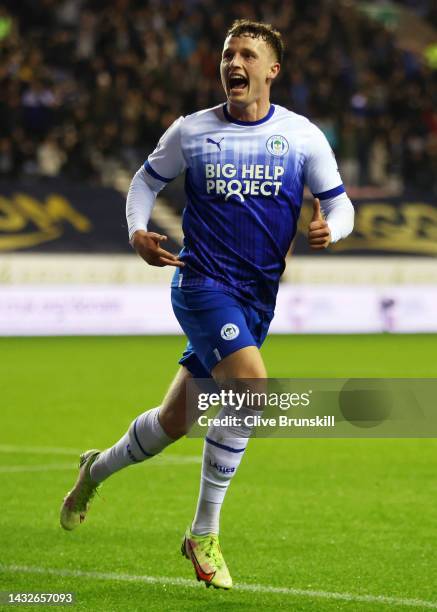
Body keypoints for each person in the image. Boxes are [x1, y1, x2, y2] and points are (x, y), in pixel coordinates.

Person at [60, 19, 354, 590]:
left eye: (247, 54)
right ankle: (203, 532)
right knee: (252, 389)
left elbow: (340, 206)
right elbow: (144, 183)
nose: (233, 63)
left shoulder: (302, 137)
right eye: (227, 54)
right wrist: (136, 232)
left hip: (255, 301)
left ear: (273, 70)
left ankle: (92, 472)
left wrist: (331, 232)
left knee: (174, 421)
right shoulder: (192, 132)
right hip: (200, 284)